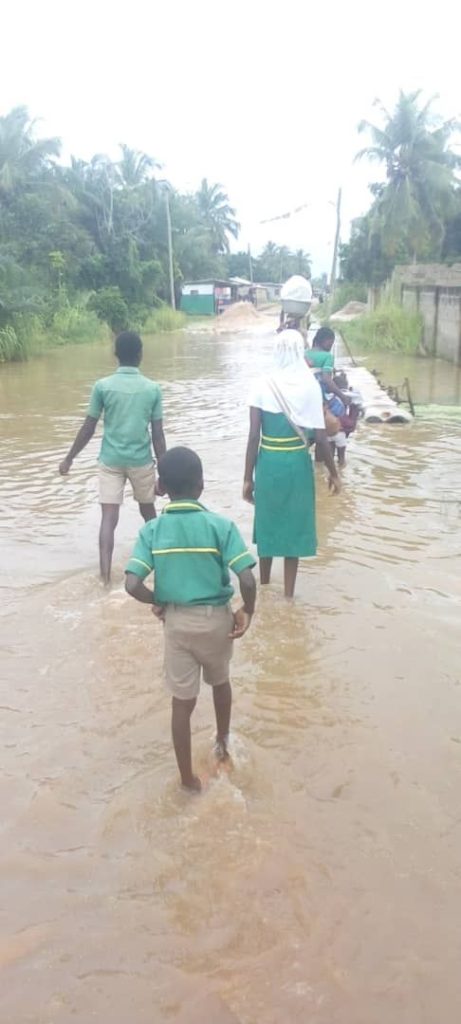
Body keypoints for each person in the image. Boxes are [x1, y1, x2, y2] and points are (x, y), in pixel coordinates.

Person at [125, 447, 257, 793]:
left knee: (181, 703)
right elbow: (246, 579)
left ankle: (187, 780)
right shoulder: (220, 526)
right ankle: (223, 745)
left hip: (177, 624)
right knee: (221, 683)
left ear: (161, 487)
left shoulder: (152, 531)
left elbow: (132, 584)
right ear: (201, 485)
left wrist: (158, 600)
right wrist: (247, 610)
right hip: (216, 622)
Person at [59, 330, 166, 585]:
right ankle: (163, 568)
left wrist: (69, 458)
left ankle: (105, 579)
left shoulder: (103, 386)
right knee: (149, 513)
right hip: (141, 460)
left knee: (108, 518)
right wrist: (165, 473)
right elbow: (158, 435)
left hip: (110, 461)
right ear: (140, 355)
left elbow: (88, 427)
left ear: (115, 354)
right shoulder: (152, 389)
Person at [243, 329, 341, 599]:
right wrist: (334, 473)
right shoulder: (310, 385)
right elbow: (321, 437)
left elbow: (253, 436)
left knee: (268, 524)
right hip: (297, 462)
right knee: (294, 528)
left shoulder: (262, 384)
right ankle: (288, 596)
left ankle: (264, 588)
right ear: (300, 351)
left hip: (269, 463)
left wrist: (247, 478)